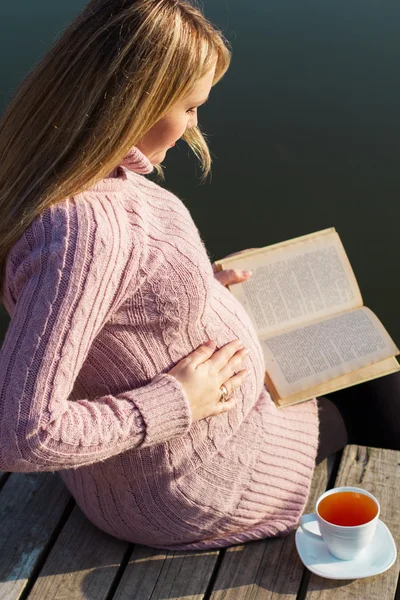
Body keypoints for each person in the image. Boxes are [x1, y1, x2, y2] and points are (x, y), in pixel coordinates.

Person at [0, 0, 398, 552]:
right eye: (189, 107)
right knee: (380, 394)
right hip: (194, 480)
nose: (195, 125)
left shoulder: (59, 177)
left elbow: (104, 306)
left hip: (187, 447)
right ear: (135, 101)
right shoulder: (85, 232)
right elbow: (22, 434)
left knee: (374, 370)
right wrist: (177, 401)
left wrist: (195, 287)